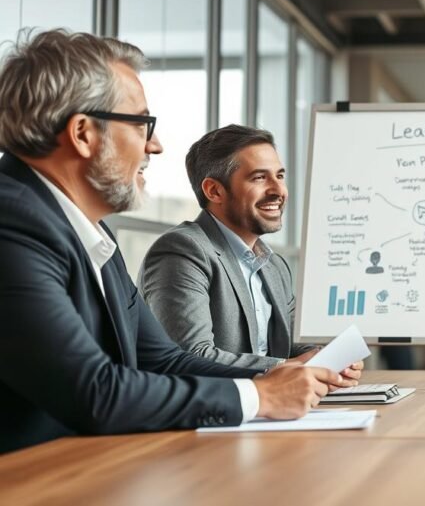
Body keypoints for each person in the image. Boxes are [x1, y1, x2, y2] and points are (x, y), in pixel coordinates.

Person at [0, 30, 344, 453]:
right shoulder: (12, 222)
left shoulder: (91, 232)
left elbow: (164, 360)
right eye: (142, 123)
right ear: (83, 133)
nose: (155, 145)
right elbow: (95, 391)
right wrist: (261, 398)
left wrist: (278, 377)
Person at [138, 125, 362, 381]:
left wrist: (325, 358)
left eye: (279, 176)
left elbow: (291, 345)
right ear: (214, 191)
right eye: (259, 177)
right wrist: (287, 367)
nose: (279, 191)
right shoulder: (183, 251)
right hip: (210, 413)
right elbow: (192, 355)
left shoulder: (274, 265)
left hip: (271, 409)